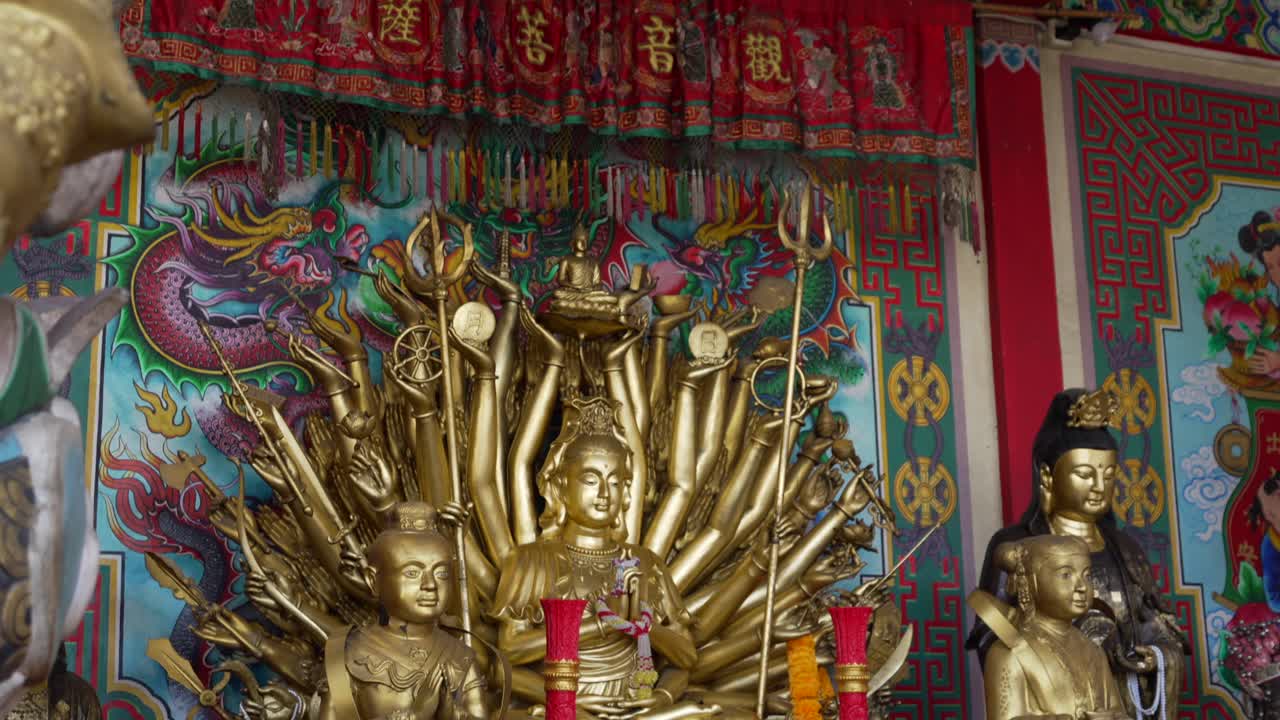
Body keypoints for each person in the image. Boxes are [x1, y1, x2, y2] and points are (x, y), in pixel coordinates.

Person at [966, 389, 1188, 716]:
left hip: (1122, 696)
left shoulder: (1126, 550)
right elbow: (992, 635)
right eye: (1084, 474)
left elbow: (1157, 627)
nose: (1099, 486)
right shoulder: (1019, 545)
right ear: (1047, 476)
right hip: (1049, 689)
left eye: (1109, 475)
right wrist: (1055, 654)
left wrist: (1155, 657)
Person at [970, 535, 1128, 720]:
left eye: (1087, 575)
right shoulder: (1010, 653)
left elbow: (1119, 712)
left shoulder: (1093, 650)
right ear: (1032, 583)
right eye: (1066, 575)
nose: (1082, 586)